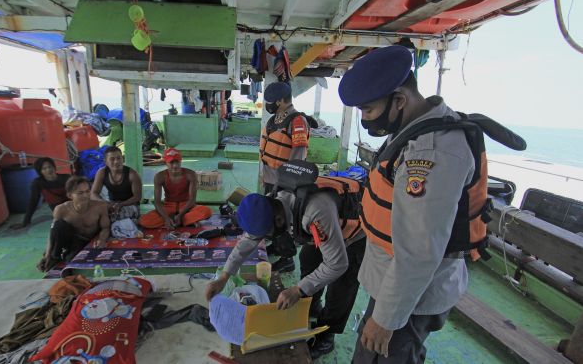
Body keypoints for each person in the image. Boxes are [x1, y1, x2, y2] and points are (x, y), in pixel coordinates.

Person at [338, 45, 524, 363]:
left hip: (411, 299)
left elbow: (419, 252)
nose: (366, 120)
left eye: (368, 110)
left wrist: (385, 319)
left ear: (399, 99)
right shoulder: (411, 129)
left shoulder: (432, 153)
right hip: (393, 285)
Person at [205, 165, 366, 359]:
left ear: (280, 219)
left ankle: (326, 335)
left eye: (267, 235)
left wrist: (298, 290)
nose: (265, 239)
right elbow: (247, 241)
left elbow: (338, 264)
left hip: (354, 233)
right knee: (308, 259)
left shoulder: (314, 213)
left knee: (340, 286)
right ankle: (311, 306)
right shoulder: (270, 205)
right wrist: (224, 276)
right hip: (325, 225)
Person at [260, 81, 317, 272]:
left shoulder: (297, 121)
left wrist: (288, 183)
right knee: (271, 216)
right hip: (270, 178)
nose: (269, 105)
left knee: (284, 218)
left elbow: (299, 155)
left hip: (285, 182)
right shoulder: (273, 120)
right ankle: (277, 246)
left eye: (272, 101)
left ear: (283, 100)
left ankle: (287, 259)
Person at [37, 176, 110, 272]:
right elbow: (53, 232)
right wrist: (48, 254)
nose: (85, 195)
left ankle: (67, 255)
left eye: (87, 191)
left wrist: (102, 239)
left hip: (89, 242)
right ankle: (54, 257)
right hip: (71, 240)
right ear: (70, 195)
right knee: (58, 224)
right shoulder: (61, 209)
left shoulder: (100, 206)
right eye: (80, 193)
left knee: (72, 263)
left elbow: (106, 228)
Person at [139, 148, 212, 229]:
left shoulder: (191, 174)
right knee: (144, 221)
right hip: (168, 206)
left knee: (207, 211)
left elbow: (192, 200)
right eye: (171, 162)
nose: (175, 165)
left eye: (177, 162)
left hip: (186, 206)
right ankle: (183, 221)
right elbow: (157, 202)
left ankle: (175, 221)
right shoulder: (159, 176)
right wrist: (166, 217)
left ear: (181, 161)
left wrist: (181, 215)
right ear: (166, 162)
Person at [10, 157, 69, 229]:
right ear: (40, 171)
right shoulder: (38, 183)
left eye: (50, 167)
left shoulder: (67, 178)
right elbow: (33, 202)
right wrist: (25, 222)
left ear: (54, 167)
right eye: (44, 169)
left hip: (73, 207)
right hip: (59, 212)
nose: (48, 170)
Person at [91, 146, 142, 223]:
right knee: (92, 214)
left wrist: (121, 204)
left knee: (110, 218)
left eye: (119, 158)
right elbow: (93, 194)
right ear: (105, 161)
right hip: (111, 204)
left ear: (123, 159)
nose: (116, 161)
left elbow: (137, 197)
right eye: (112, 159)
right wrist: (106, 203)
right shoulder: (101, 172)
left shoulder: (132, 174)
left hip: (130, 205)